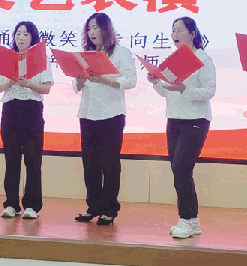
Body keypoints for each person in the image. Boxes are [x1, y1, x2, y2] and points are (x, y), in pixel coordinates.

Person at [147, 17, 216, 239]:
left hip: (196, 119)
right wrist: (156, 82)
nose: (175, 34)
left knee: (182, 168)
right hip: (174, 119)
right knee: (178, 170)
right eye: (173, 30)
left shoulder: (203, 59)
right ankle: (192, 221)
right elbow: (167, 91)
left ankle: (186, 219)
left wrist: (185, 89)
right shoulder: (173, 60)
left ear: (193, 33)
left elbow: (209, 91)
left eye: (180, 30)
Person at [72, 13, 136, 226]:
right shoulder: (86, 54)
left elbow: (131, 80)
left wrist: (105, 80)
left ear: (106, 30)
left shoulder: (121, 52)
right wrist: (80, 81)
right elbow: (75, 86)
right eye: (89, 28)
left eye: (96, 28)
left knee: (109, 163)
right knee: (90, 163)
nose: (91, 32)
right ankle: (93, 206)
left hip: (111, 114)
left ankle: (109, 209)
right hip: (87, 113)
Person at [0, 21, 53, 219]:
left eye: (26, 34)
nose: (21, 37)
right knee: (12, 160)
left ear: (33, 37)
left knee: (33, 160)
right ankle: (11, 204)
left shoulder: (41, 59)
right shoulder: (7, 59)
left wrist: (29, 84)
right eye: (18, 33)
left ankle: (32, 206)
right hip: (11, 109)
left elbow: (46, 88)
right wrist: (10, 81)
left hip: (32, 110)